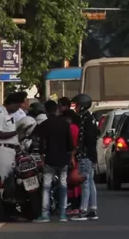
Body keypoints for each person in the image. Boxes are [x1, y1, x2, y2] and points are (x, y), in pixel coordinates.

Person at [33, 99, 74, 222]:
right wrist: (71, 158)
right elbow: (70, 144)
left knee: (46, 187)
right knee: (63, 186)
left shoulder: (44, 125)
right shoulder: (65, 123)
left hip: (49, 159)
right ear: (56, 109)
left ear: (45, 111)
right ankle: (62, 214)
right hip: (63, 159)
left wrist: (42, 158)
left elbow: (39, 144)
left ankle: (45, 215)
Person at [71, 93, 99, 221]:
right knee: (90, 182)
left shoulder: (86, 120)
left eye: (77, 105)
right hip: (90, 155)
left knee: (85, 182)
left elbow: (86, 140)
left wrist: (80, 152)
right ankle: (92, 209)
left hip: (86, 155)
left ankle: (83, 210)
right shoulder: (89, 119)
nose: (76, 108)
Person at [0, 92, 27, 181]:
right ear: (11, 103)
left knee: (11, 179)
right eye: (17, 107)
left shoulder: (9, 115)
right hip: (3, 151)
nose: (17, 109)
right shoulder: (0, 114)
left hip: (11, 150)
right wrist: (15, 132)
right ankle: (0, 195)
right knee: (4, 179)